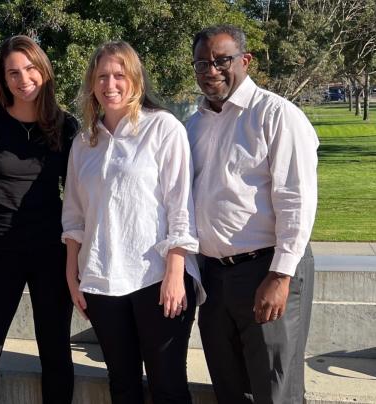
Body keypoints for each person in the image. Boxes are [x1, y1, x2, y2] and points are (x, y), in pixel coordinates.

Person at [62, 41, 204, 404]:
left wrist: (176, 272)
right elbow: (75, 214)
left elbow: (180, 207)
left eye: (119, 75)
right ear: (92, 84)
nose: (111, 84)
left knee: (168, 385)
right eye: (102, 77)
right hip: (101, 281)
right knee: (122, 385)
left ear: (135, 80)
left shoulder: (163, 128)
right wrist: (71, 274)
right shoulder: (83, 143)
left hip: (156, 278)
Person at [186, 25, 318, 404]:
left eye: (221, 60)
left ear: (245, 60)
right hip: (214, 278)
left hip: (266, 270)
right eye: (201, 63)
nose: (211, 70)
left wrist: (280, 276)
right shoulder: (194, 126)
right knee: (230, 390)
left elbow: (298, 199)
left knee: (276, 391)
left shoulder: (277, 116)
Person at [0, 35, 78, 404]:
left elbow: (79, 196)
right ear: (3, 79)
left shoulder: (66, 127)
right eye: (13, 72)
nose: (22, 78)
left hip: (51, 253)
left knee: (56, 354)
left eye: (30, 68)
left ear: (43, 70)